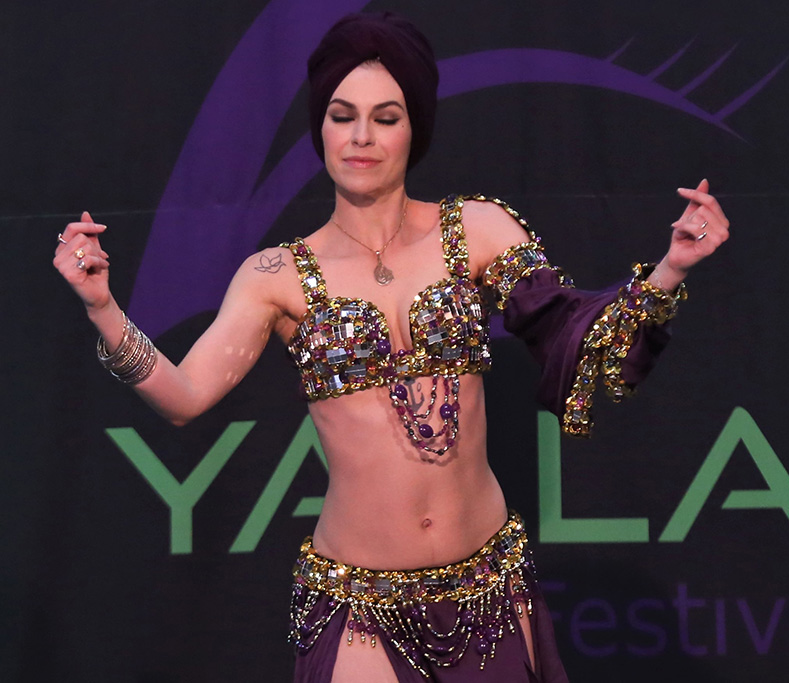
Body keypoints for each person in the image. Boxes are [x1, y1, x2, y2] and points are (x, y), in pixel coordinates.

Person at [52, 11, 728, 683]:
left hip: (487, 592)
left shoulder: (478, 229)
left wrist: (670, 270)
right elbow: (184, 396)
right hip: (358, 607)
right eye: (342, 115)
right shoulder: (276, 275)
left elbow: (577, 336)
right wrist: (103, 308)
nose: (361, 137)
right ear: (320, 127)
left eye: (386, 117)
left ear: (415, 129)